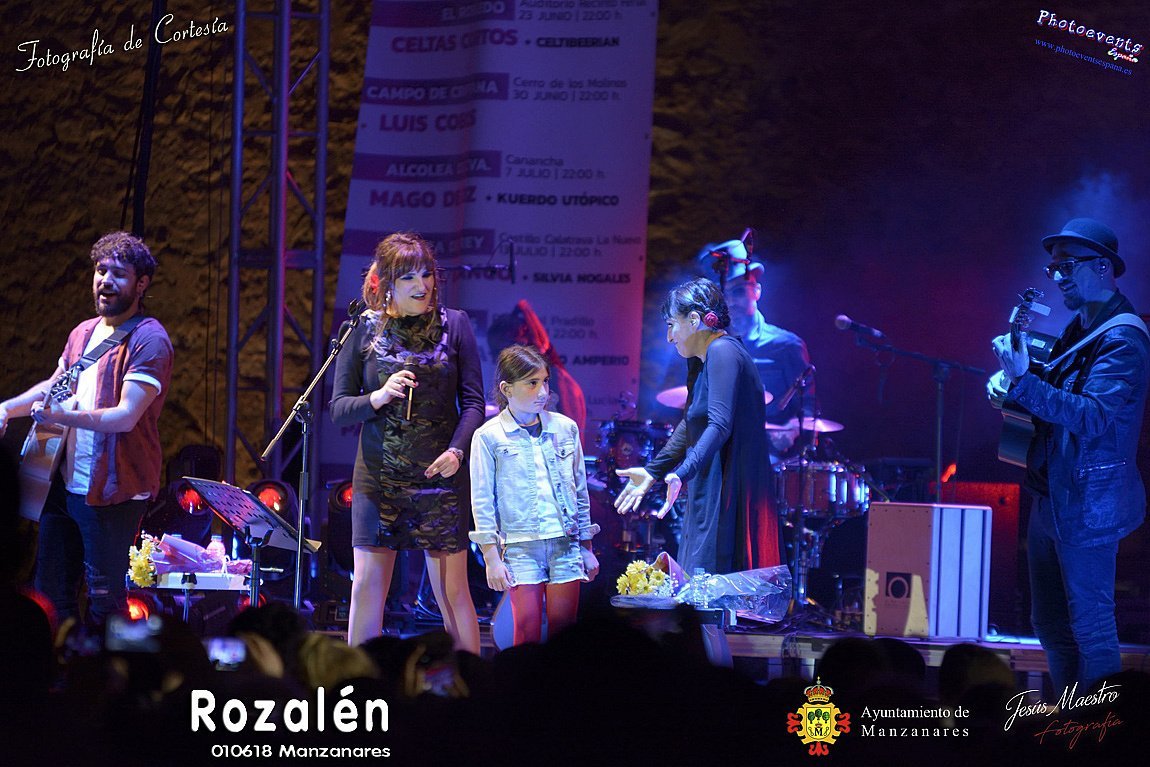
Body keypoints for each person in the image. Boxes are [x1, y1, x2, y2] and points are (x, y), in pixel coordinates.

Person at [990, 217, 1148, 696]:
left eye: (1066, 266)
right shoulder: (1081, 326)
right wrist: (1009, 386)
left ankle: (1101, 730)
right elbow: (1058, 394)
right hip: (1052, 495)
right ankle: (1068, 722)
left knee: (1091, 629)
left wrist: (1023, 382)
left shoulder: (1122, 338)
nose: (1057, 277)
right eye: (1052, 268)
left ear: (1102, 266)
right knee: (1051, 626)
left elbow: (1093, 415)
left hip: (1087, 503)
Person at [0, 231, 173, 625]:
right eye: (100, 271)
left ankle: (109, 665)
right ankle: (61, 663)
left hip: (113, 492)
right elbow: (54, 386)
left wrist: (63, 416)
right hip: (64, 486)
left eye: (118, 274)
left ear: (141, 284)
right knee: (50, 594)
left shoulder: (150, 339)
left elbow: (125, 416)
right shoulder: (82, 332)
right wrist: (8, 408)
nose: (105, 281)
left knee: (105, 601)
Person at [330, 232, 485, 651]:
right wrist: (378, 397)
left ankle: (469, 679)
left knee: (452, 592)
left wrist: (457, 451)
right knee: (367, 588)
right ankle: (360, 682)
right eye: (409, 277)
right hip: (380, 478)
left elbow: (474, 403)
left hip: (440, 477)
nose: (422, 285)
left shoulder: (455, 325)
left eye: (427, 274)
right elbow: (339, 408)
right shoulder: (361, 329)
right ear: (387, 284)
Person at [615, 278, 779, 573]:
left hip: (728, 485)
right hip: (711, 480)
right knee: (698, 580)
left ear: (693, 320)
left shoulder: (723, 351)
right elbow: (692, 423)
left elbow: (719, 424)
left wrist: (682, 472)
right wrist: (654, 471)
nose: (669, 337)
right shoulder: (702, 359)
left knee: (714, 582)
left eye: (671, 325)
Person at [469, 345, 600, 645]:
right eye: (532, 383)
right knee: (525, 633)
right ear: (507, 389)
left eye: (545, 381)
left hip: (565, 543)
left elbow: (579, 491)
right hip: (521, 546)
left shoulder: (565, 428)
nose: (543, 392)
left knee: (564, 635)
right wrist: (491, 557)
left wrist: (586, 546)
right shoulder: (488, 436)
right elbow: (482, 500)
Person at [699, 237, 818, 458]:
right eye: (723, 295)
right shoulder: (709, 346)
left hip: (772, 458)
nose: (730, 302)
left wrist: (792, 430)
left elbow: (809, 408)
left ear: (757, 291)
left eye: (738, 292)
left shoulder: (787, 345)